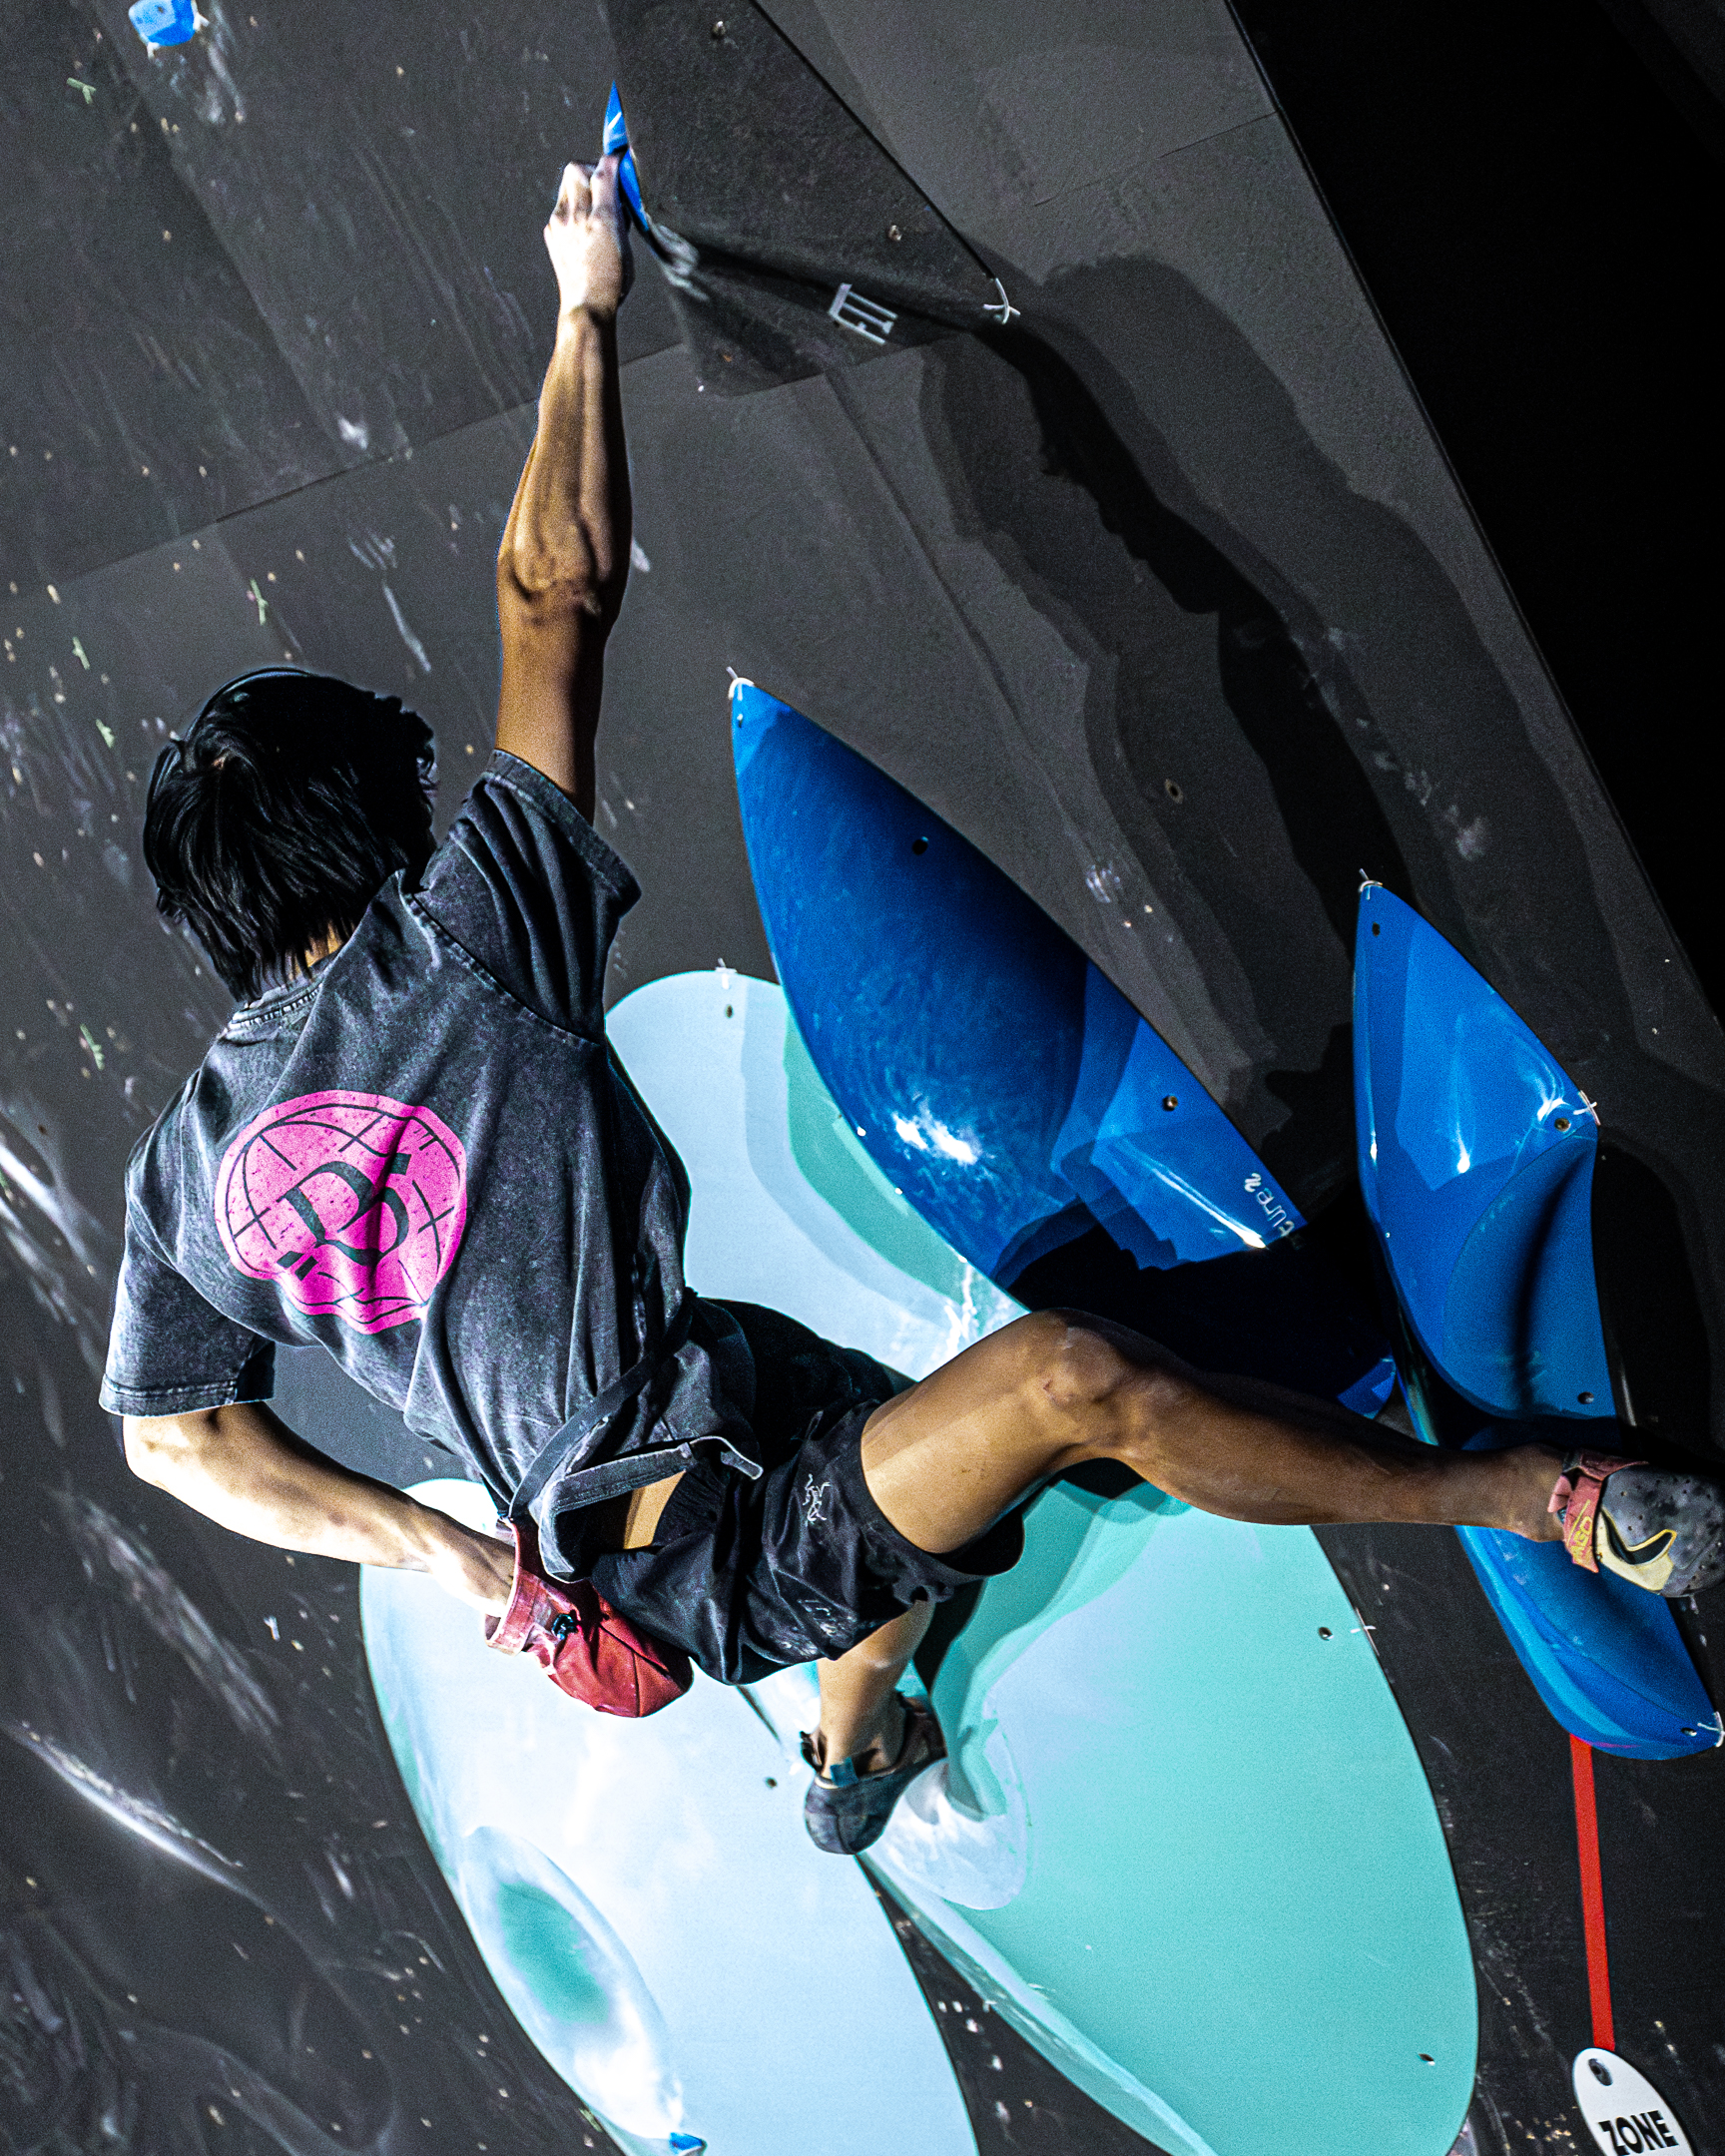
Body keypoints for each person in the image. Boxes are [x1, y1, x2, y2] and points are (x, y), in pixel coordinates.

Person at [103, 156, 1723, 1859]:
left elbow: (176, 1447)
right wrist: (585, 306)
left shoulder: (181, 1170)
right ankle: (1523, 1496)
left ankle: (851, 1753)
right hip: (702, 1549)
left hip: (685, 1436)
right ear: (369, 818)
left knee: (888, 1502)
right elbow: (552, 592)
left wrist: (459, 1564)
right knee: (1069, 1382)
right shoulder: (465, 938)